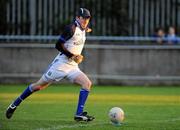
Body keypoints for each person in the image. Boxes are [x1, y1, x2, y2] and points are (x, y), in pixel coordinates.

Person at [6, 8, 95, 122]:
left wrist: (85, 32)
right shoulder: (71, 29)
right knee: (38, 86)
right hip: (60, 65)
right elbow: (58, 45)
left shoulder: (84, 28)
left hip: (72, 66)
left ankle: (79, 114)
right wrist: (72, 55)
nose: (85, 20)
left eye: (87, 18)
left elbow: (83, 31)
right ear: (77, 18)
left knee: (87, 83)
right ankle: (15, 104)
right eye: (83, 18)